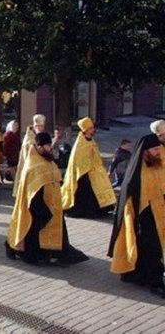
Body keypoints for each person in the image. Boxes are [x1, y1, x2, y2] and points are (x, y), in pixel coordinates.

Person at [5, 132, 89, 266]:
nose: (51, 148)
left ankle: (54, 255)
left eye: (50, 144)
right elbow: (31, 191)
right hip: (38, 207)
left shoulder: (48, 160)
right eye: (48, 145)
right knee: (33, 233)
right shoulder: (32, 166)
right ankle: (20, 250)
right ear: (39, 147)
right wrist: (42, 208)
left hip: (54, 204)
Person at [108, 134, 165, 298]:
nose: (158, 152)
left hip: (158, 213)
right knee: (152, 250)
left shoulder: (158, 165)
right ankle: (156, 284)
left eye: (158, 149)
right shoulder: (136, 172)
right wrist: (134, 221)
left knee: (151, 250)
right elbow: (128, 198)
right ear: (145, 152)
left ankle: (140, 276)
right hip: (143, 218)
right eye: (155, 150)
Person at [61, 117, 116, 218]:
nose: (92, 130)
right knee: (84, 193)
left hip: (93, 171)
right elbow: (78, 160)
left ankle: (101, 209)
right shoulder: (80, 143)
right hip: (82, 173)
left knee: (97, 189)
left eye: (92, 128)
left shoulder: (91, 140)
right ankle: (84, 212)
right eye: (90, 129)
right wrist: (85, 168)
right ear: (85, 130)